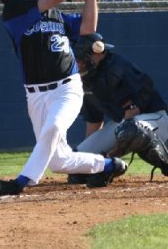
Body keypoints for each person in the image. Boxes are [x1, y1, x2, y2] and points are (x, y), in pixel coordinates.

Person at [0, 0, 127, 196]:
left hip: (67, 89)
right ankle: (110, 165)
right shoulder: (13, 11)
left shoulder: (57, 16)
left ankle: (22, 182)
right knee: (58, 161)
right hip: (36, 96)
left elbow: (88, 28)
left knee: (53, 127)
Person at [68, 33, 168, 184]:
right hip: (125, 124)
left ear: (98, 53)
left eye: (82, 58)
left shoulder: (116, 68)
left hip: (156, 120)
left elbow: (133, 114)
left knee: (131, 129)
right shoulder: (86, 79)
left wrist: (107, 162)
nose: (79, 63)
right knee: (77, 165)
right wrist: (90, 162)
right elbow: (94, 121)